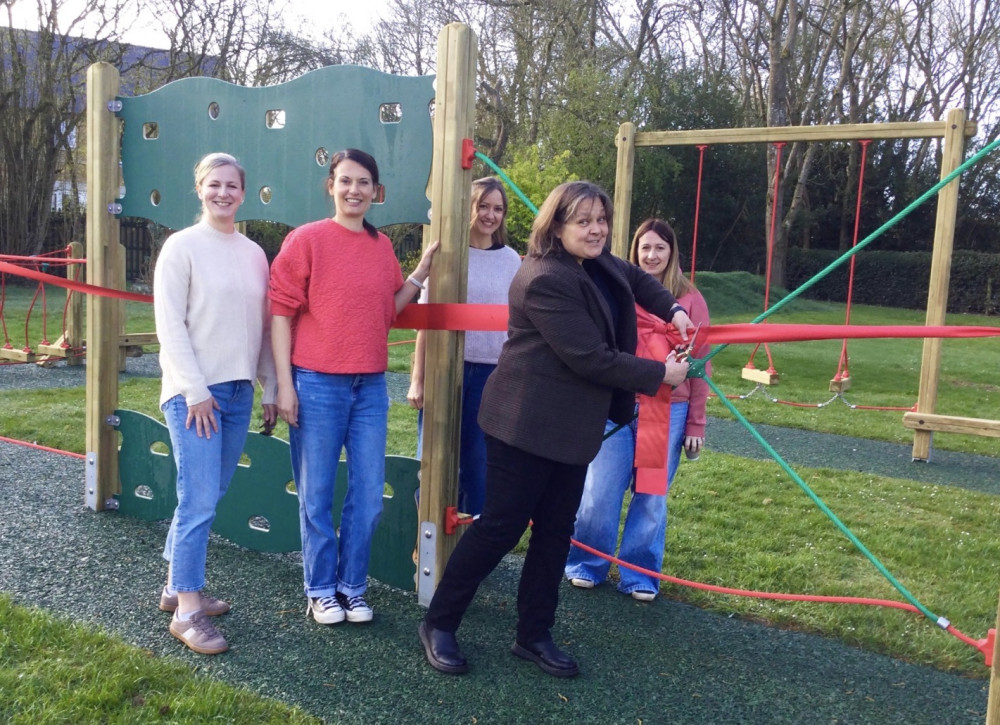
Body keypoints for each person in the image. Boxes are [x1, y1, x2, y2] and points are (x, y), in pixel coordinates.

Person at [418, 181, 693, 678]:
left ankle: (533, 635)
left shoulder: (600, 260)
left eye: (601, 219)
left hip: (570, 429)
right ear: (557, 224)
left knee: (554, 535)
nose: (596, 229)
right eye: (584, 220)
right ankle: (439, 622)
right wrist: (660, 376)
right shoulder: (544, 276)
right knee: (500, 529)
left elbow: (636, 277)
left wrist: (673, 308)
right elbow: (589, 356)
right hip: (523, 424)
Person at [269, 148, 439, 626]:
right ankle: (320, 589)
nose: (354, 190)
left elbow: (389, 310)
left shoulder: (380, 246)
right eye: (345, 180)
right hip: (316, 382)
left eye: (364, 182)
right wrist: (284, 385)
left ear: (375, 192)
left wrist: (420, 272)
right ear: (331, 185)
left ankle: (352, 587)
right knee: (316, 492)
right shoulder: (306, 241)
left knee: (367, 495)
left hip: (369, 388)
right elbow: (280, 313)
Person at [154, 152, 278, 655]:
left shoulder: (254, 253)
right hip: (194, 394)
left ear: (243, 193)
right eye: (214, 185)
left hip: (238, 390)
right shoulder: (180, 247)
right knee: (199, 497)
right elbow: (170, 325)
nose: (223, 193)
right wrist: (196, 391)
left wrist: (268, 383)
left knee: (212, 491)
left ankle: (173, 587)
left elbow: (262, 328)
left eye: (232, 186)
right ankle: (187, 612)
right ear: (199, 189)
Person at [565, 217, 711, 601]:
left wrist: (696, 423)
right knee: (599, 489)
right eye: (644, 247)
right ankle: (587, 561)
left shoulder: (691, 300)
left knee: (651, 494)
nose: (651, 255)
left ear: (671, 252)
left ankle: (639, 573)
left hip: (668, 408)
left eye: (659, 247)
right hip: (617, 401)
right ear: (634, 252)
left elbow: (701, 364)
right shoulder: (615, 289)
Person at [407, 176, 522, 517]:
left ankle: (468, 543)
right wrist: (418, 379)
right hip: (446, 367)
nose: (490, 215)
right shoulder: (448, 255)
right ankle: (424, 538)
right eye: (483, 206)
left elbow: (518, 324)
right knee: (434, 459)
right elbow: (428, 319)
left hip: (492, 374)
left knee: (479, 462)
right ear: (468, 208)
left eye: (498, 208)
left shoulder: (512, 260)